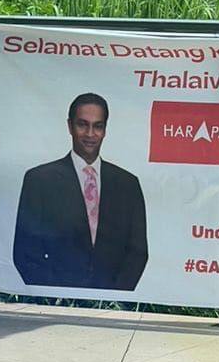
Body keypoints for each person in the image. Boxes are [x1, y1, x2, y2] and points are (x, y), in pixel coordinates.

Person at [12, 93, 148, 291]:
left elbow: (138, 252)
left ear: (105, 130)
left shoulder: (128, 184)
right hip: (55, 300)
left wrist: (114, 297)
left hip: (112, 301)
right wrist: (56, 295)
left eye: (98, 126)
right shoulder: (39, 180)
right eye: (82, 124)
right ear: (70, 126)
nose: (90, 134)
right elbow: (25, 251)